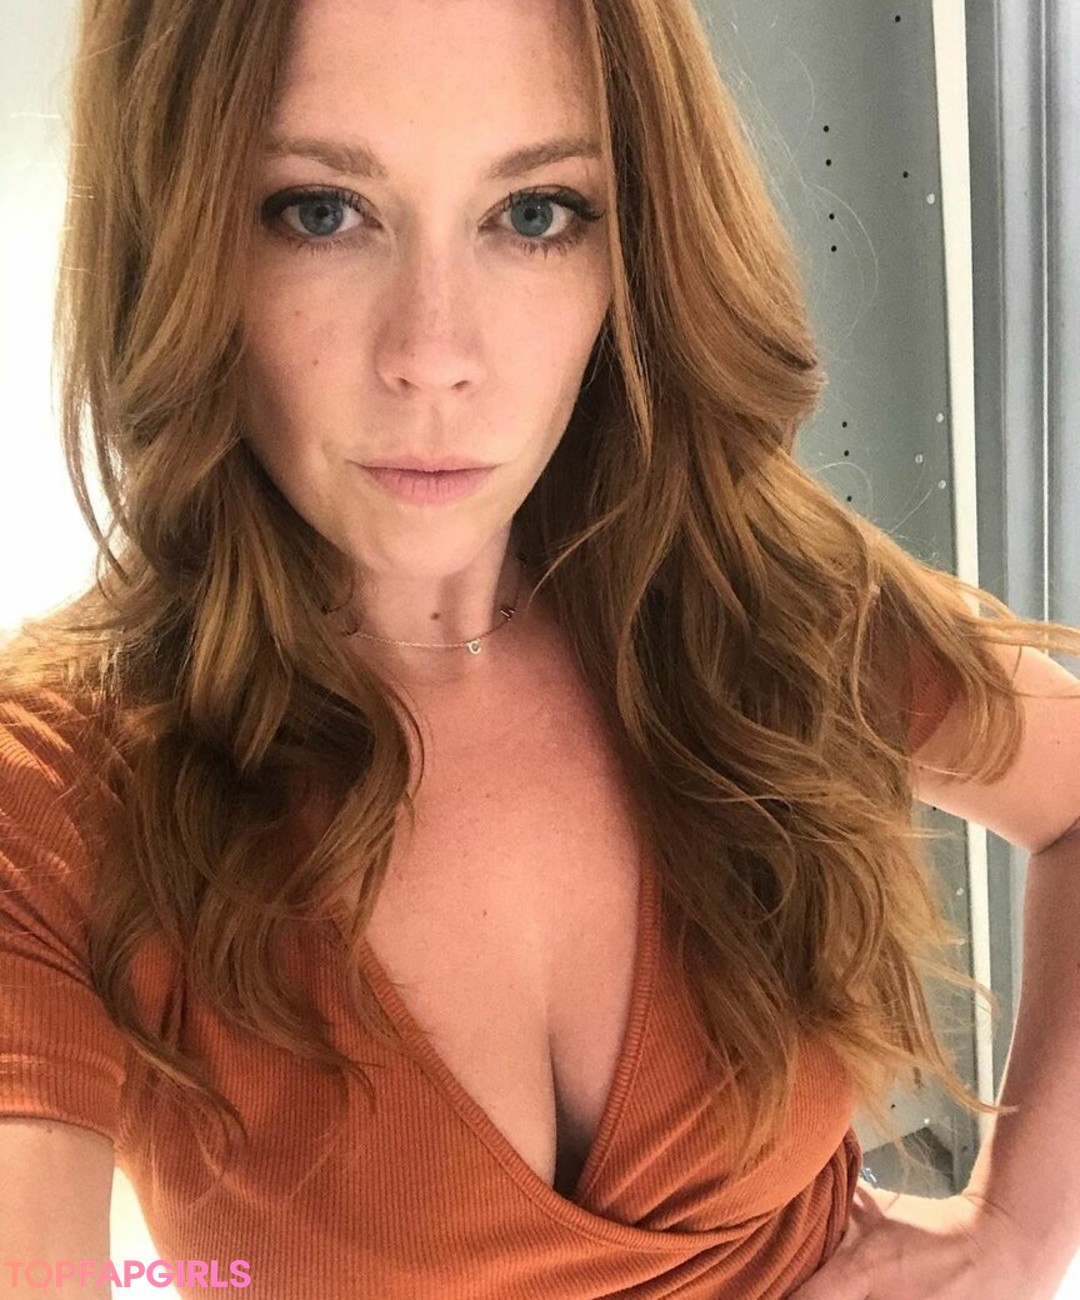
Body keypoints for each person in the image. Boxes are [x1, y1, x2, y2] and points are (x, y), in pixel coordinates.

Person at [3, 2, 1080, 1298]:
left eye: (534, 213)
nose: (435, 358)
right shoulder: (54, 787)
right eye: (318, 211)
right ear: (171, 240)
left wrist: (1020, 1232)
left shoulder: (749, 600)